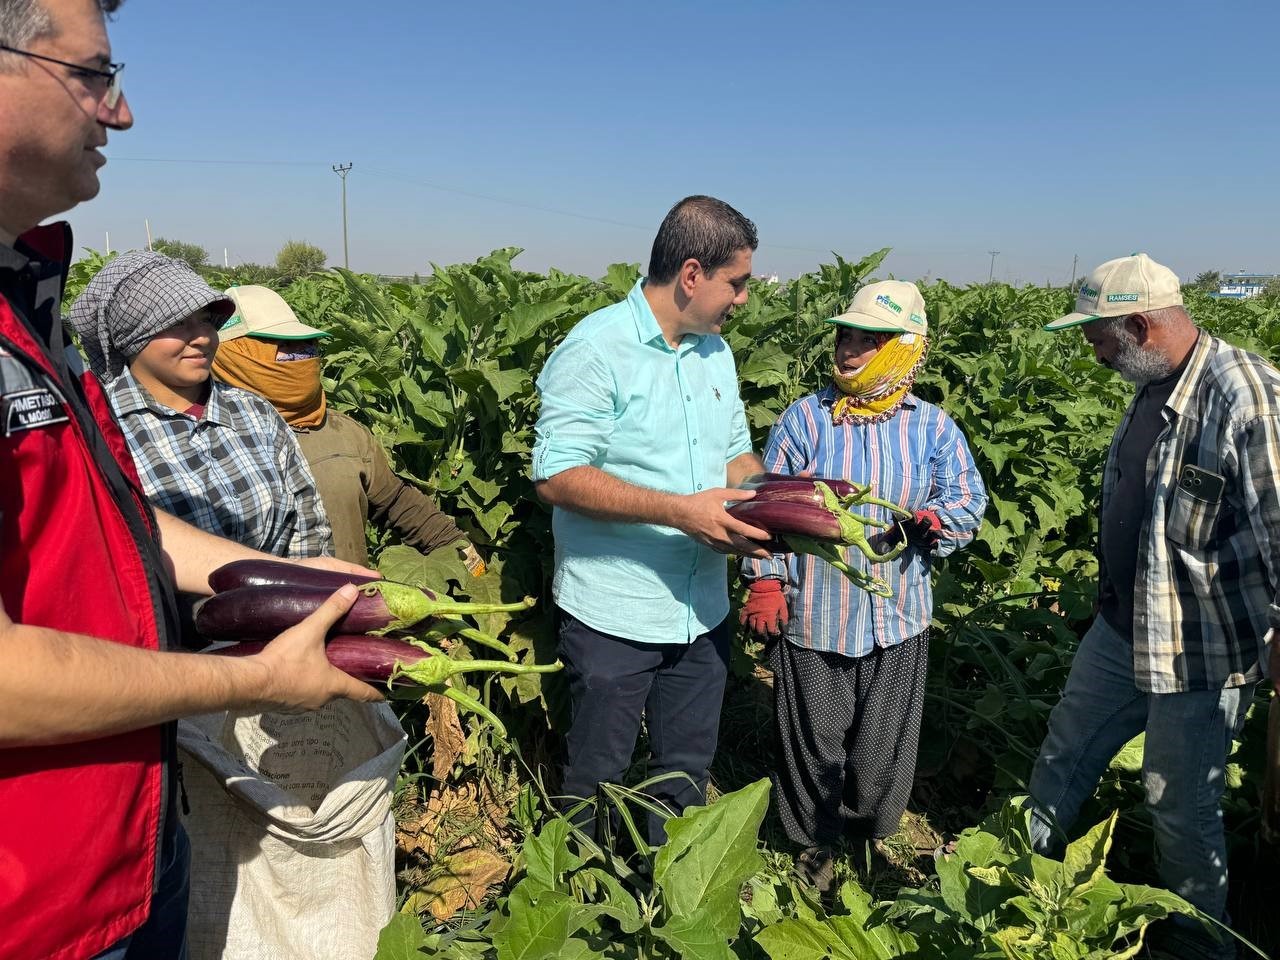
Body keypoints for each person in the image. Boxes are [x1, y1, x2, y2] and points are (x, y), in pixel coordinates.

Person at [0, 3, 380, 959]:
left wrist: (327, 591)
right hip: (29, 899)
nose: (119, 113)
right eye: (93, 74)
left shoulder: (28, 314)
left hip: (118, 838)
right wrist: (253, 676)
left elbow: (126, 531)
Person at [1030, 253, 1280, 960]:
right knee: (1064, 753)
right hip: (1121, 629)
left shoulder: (1246, 396)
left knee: (1178, 802)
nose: (1094, 352)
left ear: (1140, 325)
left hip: (1200, 646)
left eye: (1099, 338)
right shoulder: (1155, 384)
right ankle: (1014, 885)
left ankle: (1201, 944)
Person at [532, 195, 772, 845]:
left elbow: (734, 454)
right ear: (692, 275)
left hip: (701, 610)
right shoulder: (595, 348)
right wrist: (679, 513)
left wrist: (771, 501)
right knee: (597, 777)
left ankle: (663, 910)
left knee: (684, 775)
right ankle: (577, 908)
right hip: (615, 613)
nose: (744, 298)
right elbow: (556, 474)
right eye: (738, 282)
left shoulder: (713, 353)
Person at [740, 280, 986, 889]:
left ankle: (870, 840)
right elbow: (768, 505)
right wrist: (766, 581)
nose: (849, 350)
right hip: (816, 613)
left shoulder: (931, 428)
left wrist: (939, 522)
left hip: (898, 616)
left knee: (881, 749)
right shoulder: (805, 419)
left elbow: (966, 498)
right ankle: (812, 848)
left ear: (905, 348)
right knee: (813, 742)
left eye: (869, 339)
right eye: (846, 335)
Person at [68, 252, 334, 562]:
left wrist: (302, 597)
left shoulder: (255, 412)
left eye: (206, 321)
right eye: (178, 323)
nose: (203, 338)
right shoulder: (99, 427)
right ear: (132, 336)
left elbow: (309, 526)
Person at [210, 283, 483, 571]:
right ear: (233, 355)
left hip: (351, 605)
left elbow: (396, 502)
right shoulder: (202, 442)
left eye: (305, 345)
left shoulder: (342, 431)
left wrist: (466, 557)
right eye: (283, 346)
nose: (301, 355)